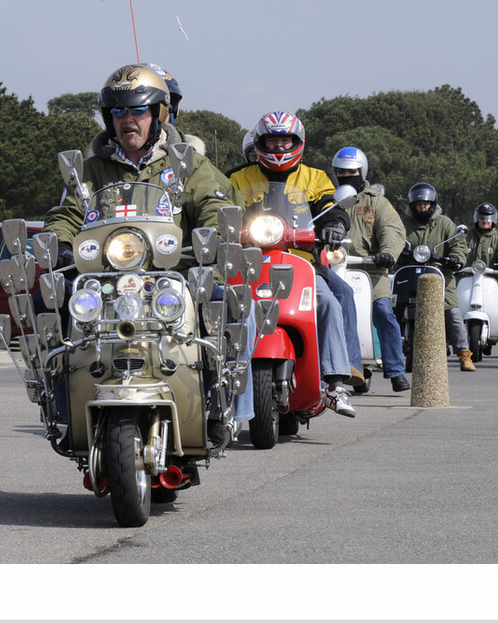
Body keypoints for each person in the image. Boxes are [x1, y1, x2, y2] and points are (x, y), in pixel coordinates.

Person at [42, 63, 255, 440]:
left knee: (228, 302)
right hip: (106, 277)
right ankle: (61, 409)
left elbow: (214, 203)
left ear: (158, 114)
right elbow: (68, 212)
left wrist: (212, 235)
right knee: (53, 300)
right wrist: (59, 243)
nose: (128, 121)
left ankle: (219, 406)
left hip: (175, 273)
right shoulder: (91, 171)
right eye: (118, 112)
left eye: (138, 110)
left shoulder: (187, 163)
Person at [229, 111, 359, 417]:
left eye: (284, 140)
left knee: (327, 301)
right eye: (271, 140)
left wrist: (335, 225)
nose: (278, 147)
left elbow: (331, 207)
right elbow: (222, 207)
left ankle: (336, 383)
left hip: (300, 263)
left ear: (297, 142)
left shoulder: (316, 178)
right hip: (249, 262)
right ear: (259, 143)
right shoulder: (238, 177)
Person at [331, 146, 410, 393]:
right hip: (333, 267)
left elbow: (392, 230)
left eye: (352, 171)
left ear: (362, 170)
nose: (347, 175)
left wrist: (387, 253)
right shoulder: (326, 198)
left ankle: (396, 370)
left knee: (384, 312)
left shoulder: (377, 202)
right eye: (341, 172)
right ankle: (335, 369)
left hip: (371, 269)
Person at [398, 182, 476, 372]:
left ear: (433, 204)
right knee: (392, 311)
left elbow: (458, 245)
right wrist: (395, 254)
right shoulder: (403, 224)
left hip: (440, 276)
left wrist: (454, 259)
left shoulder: (445, 223)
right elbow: (392, 239)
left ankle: (464, 354)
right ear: (412, 205)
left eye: (426, 203)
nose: (422, 207)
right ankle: (387, 353)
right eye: (418, 204)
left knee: (452, 313)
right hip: (409, 275)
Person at [466, 203, 498, 267]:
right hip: (467, 275)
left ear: (493, 220)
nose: (485, 221)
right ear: (477, 218)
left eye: (488, 218)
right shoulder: (467, 237)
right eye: (482, 218)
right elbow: (458, 250)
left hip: (491, 276)